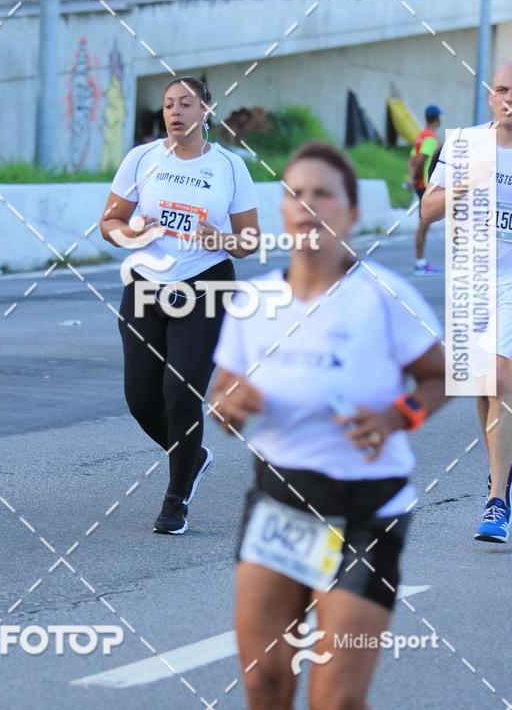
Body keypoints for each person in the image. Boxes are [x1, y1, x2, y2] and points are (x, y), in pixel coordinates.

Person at [211, 141, 447, 710]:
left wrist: (398, 416)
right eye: (296, 193)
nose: (307, 204)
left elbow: (443, 376)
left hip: (366, 514)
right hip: (280, 506)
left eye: (323, 193)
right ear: (282, 209)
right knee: (264, 685)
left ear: (351, 212)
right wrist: (229, 406)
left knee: (336, 701)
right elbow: (222, 394)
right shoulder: (254, 299)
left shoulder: (384, 298)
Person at [100, 77, 260, 535]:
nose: (175, 112)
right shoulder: (142, 159)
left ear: (206, 110)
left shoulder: (230, 167)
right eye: (169, 104)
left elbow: (250, 241)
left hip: (205, 285)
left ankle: (176, 498)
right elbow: (108, 222)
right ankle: (193, 456)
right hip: (147, 285)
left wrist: (222, 239)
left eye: (186, 103)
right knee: (141, 399)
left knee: (180, 392)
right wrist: (133, 233)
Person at [422, 62, 512, 542]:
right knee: (484, 387)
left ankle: (497, 500)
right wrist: (464, 182)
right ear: (490, 96)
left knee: (500, 377)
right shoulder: (461, 143)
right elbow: (427, 210)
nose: (508, 98)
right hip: (472, 278)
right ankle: (502, 474)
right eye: (501, 89)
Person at [407, 105, 443, 275]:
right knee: (424, 223)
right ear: (437, 119)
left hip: (419, 184)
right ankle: (420, 263)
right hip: (424, 185)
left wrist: (413, 177)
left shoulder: (421, 136)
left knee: (424, 222)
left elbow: (412, 160)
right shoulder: (431, 138)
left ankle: (420, 261)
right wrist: (417, 179)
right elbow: (421, 160)